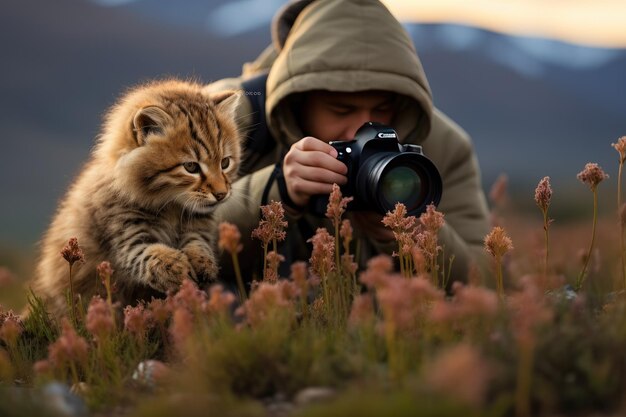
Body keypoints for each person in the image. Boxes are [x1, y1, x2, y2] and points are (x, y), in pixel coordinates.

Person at [207, 0, 490, 287]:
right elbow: (171, 241)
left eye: (381, 110)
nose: (361, 128)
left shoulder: (441, 145)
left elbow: (487, 283)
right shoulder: (222, 120)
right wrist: (276, 190)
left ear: (401, 103)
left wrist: (413, 234)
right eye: (341, 110)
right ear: (298, 102)